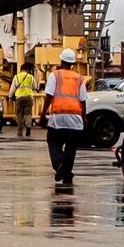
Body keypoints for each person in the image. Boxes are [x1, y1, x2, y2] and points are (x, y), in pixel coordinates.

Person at [44, 53, 88, 188]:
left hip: (58, 117)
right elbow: (83, 100)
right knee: (71, 148)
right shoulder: (79, 78)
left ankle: (59, 166)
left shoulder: (55, 75)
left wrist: (42, 115)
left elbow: (48, 96)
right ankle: (67, 173)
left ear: (61, 61)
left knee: (53, 143)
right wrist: (84, 117)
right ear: (73, 63)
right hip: (75, 118)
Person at [11, 61, 36, 139]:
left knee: (19, 114)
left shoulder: (17, 77)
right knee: (28, 113)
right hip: (28, 97)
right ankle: (28, 125)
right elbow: (35, 87)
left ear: (21, 69)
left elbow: (13, 88)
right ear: (27, 69)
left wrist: (9, 96)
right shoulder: (31, 77)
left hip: (19, 98)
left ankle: (20, 130)